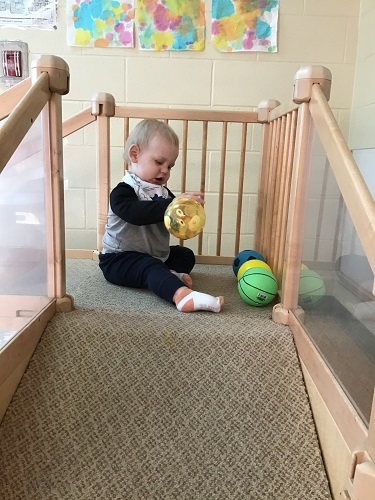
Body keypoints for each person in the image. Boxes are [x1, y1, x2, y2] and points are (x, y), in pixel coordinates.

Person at [99, 119, 224, 313]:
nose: (165, 170)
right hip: (118, 259)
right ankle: (180, 295)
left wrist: (187, 213)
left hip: (153, 256)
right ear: (135, 154)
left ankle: (166, 275)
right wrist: (171, 205)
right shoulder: (123, 192)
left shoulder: (164, 194)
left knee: (185, 256)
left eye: (170, 166)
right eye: (159, 162)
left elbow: (172, 219)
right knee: (149, 267)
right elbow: (136, 214)